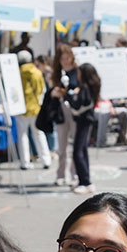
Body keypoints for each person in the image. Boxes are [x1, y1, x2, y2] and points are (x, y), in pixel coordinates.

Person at [54, 60, 99, 195]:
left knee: (77, 152)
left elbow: (78, 105)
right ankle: (84, 181)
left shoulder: (85, 88)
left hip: (83, 120)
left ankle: (85, 182)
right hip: (85, 120)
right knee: (82, 150)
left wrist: (68, 95)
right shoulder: (91, 86)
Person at [17, 49, 52, 170]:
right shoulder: (37, 72)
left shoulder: (16, 73)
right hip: (36, 107)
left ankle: (24, 162)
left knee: (22, 135)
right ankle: (46, 159)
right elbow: (42, 90)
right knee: (39, 133)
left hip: (21, 108)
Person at [51, 44, 78, 187]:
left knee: (76, 144)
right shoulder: (57, 73)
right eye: (63, 59)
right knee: (62, 145)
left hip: (74, 110)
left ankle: (74, 174)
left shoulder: (77, 71)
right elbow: (51, 90)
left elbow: (80, 88)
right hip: (60, 109)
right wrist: (56, 91)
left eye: (68, 58)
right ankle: (60, 174)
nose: (66, 61)